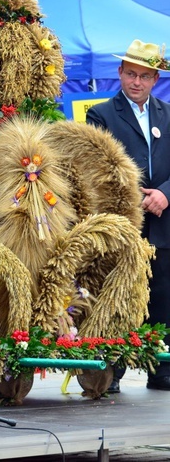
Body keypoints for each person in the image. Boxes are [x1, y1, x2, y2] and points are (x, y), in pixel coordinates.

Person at [86, 38, 170, 393]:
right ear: (119, 73)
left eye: (145, 76)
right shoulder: (100, 115)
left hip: (164, 220)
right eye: (131, 74)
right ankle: (112, 371)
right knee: (117, 294)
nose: (137, 82)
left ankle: (161, 367)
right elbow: (93, 166)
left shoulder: (169, 113)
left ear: (155, 80)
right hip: (123, 220)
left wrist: (165, 193)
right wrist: (132, 195)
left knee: (163, 294)